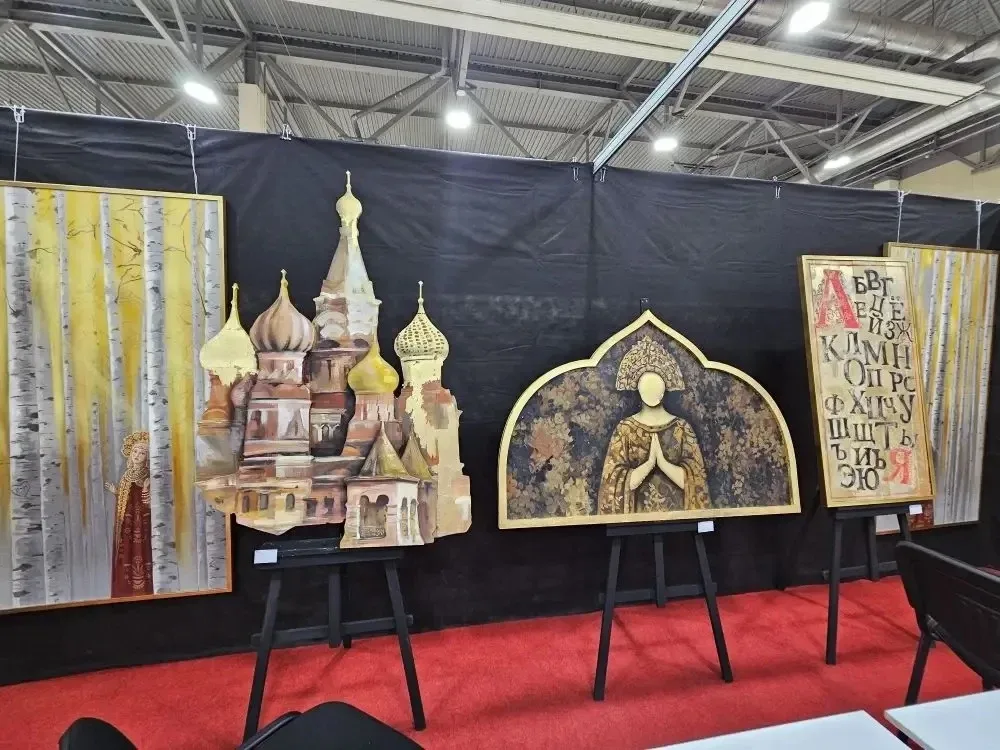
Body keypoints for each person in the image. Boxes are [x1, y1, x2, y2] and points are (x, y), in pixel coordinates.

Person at [597, 336, 709, 515]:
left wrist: (662, 463)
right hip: (636, 518)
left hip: (677, 518)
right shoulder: (625, 429)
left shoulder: (681, 428)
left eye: (656, 385)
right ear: (637, 388)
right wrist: (649, 464)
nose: (652, 390)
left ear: (665, 387)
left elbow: (696, 482)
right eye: (646, 385)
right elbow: (612, 483)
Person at [107, 431, 153, 597]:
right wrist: (116, 492)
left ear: (147, 457)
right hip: (126, 523)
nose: (137, 455)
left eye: (142, 453)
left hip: (141, 524)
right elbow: (126, 497)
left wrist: (146, 488)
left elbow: (146, 501)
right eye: (135, 451)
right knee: (125, 552)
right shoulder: (126, 475)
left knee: (141, 552)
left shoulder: (147, 475)